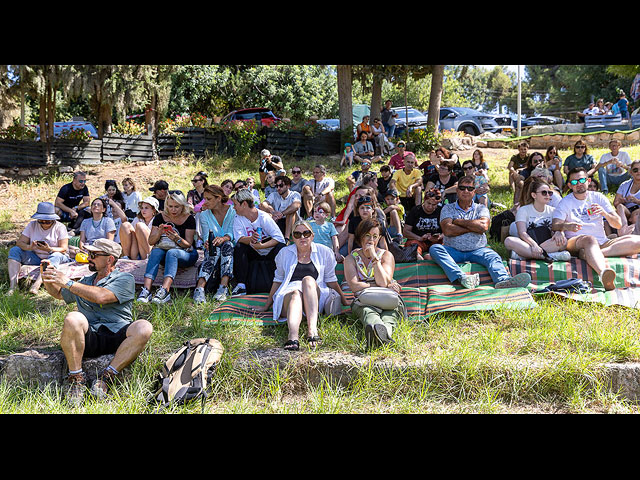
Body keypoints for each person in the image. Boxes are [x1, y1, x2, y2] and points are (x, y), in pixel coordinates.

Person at [41, 238, 152, 406]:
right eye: (88, 254)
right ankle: (76, 379)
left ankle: (107, 377)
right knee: (72, 318)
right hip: (90, 338)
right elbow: (58, 294)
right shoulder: (85, 281)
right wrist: (47, 278)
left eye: (93, 254)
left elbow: (101, 296)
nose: (88, 258)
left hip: (118, 336)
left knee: (144, 326)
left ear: (110, 259)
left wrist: (69, 283)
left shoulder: (125, 279)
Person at [256, 220, 349, 350]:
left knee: (308, 280)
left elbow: (331, 280)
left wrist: (344, 301)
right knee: (295, 293)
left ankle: (312, 330)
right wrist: (267, 305)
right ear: (293, 237)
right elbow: (278, 280)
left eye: (306, 233)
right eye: (298, 234)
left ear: (312, 235)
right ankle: (293, 337)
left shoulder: (325, 252)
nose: (302, 237)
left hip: (314, 296)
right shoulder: (284, 253)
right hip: (289, 295)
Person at [428, 175, 532, 290]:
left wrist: (457, 221)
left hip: (478, 250)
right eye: (462, 188)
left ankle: (503, 281)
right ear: (457, 191)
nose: (466, 191)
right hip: (453, 249)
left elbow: (483, 227)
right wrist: (473, 227)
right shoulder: (447, 208)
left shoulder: (481, 208)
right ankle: (462, 278)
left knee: (493, 256)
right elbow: (447, 230)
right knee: (435, 249)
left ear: (475, 192)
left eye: (470, 189)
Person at [552, 167, 640, 291]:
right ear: (569, 186)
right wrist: (566, 226)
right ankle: (603, 273)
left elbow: (618, 225)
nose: (579, 184)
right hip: (576, 242)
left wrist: (604, 213)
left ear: (588, 181)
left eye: (582, 180)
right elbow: (555, 224)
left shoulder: (598, 197)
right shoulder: (565, 202)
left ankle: (592, 255)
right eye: (574, 182)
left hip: (602, 242)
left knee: (638, 241)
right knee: (589, 239)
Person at [343, 217, 404, 348]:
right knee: (367, 312)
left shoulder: (386, 255)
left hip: (387, 298)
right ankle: (378, 332)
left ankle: (383, 335)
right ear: (360, 236)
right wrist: (382, 284)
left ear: (379, 238)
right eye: (367, 235)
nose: (371, 240)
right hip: (364, 300)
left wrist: (375, 258)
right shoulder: (350, 259)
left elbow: (382, 282)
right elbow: (354, 286)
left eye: (375, 236)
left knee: (390, 315)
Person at [137, 192, 198, 304]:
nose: (173, 210)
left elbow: (188, 244)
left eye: (176, 207)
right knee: (156, 251)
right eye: (170, 206)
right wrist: (159, 232)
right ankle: (146, 290)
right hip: (164, 251)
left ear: (182, 206)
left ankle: (165, 291)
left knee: (172, 252)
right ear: (166, 205)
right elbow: (151, 242)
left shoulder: (189, 219)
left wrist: (176, 238)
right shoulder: (160, 217)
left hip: (186, 253)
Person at [7, 202, 71, 295]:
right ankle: (13, 286)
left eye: (48, 221)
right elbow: (20, 243)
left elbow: (63, 248)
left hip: (55, 256)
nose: (44, 223)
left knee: (55, 256)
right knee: (14, 251)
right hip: (36, 256)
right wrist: (29, 247)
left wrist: (49, 249)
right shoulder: (32, 225)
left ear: (53, 219)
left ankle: (36, 285)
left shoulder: (60, 227)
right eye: (41, 221)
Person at [231, 188, 286, 296]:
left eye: (236, 204)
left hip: (268, 248)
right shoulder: (238, 217)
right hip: (253, 249)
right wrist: (251, 238)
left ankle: (281, 283)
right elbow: (239, 238)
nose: (234, 207)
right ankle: (241, 285)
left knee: (282, 248)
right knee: (239, 247)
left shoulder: (263, 217)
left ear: (244, 204)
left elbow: (280, 239)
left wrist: (262, 246)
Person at [504, 178, 571, 262]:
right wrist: (534, 245)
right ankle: (549, 256)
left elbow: (559, 228)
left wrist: (559, 232)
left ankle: (524, 256)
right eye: (544, 193)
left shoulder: (554, 211)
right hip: (528, 243)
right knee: (509, 241)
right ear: (534, 195)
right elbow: (522, 233)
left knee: (563, 241)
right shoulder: (523, 210)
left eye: (549, 193)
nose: (548, 195)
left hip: (547, 243)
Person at [193, 185, 236, 304]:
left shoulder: (232, 211)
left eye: (209, 199)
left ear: (218, 198)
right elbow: (206, 235)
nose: (205, 202)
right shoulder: (204, 215)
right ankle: (200, 288)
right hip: (214, 245)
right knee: (213, 250)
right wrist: (208, 243)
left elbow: (231, 233)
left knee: (228, 245)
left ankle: (223, 287)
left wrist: (223, 239)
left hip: (229, 243)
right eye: (204, 198)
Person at [403, 188, 443, 261]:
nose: (430, 207)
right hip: (418, 240)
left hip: (435, 241)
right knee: (412, 245)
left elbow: (447, 231)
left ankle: (432, 256)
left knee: (445, 245)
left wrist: (439, 237)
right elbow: (406, 232)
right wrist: (419, 238)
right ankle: (417, 255)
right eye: (428, 203)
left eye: (434, 205)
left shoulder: (441, 211)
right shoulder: (415, 210)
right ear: (424, 201)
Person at [260, 175, 302, 239]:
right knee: (267, 212)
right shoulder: (274, 195)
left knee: (291, 212)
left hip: (294, 223)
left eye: (281, 186)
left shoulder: (295, 194)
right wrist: (273, 212)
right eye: (276, 186)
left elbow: (296, 205)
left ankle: (286, 238)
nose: (278, 188)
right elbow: (263, 204)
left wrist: (282, 214)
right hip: (278, 220)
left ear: (288, 186)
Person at [118, 196, 159, 260]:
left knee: (140, 226)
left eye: (146, 208)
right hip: (136, 251)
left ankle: (149, 257)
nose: (143, 210)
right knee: (125, 225)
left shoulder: (158, 220)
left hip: (150, 249)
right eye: (142, 208)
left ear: (153, 210)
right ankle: (126, 257)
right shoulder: (137, 219)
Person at [613, 160, 640, 234]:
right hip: (627, 211)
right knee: (620, 207)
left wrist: (636, 201)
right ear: (631, 172)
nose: (638, 172)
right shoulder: (624, 185)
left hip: (638, 210)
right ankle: (623, 229)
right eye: (635, 170)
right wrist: (622, 200)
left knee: (637, 215)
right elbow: (615, 203)